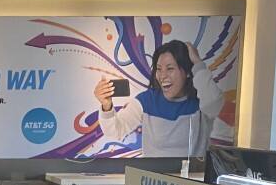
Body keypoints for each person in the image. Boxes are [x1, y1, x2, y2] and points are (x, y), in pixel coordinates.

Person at [93, 40, 224, 157]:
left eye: (170, 69)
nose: (163, 76)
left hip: (192, 176)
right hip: (152, 176)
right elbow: (115, 131)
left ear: (188, 72)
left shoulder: (202, 101)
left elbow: (214, 104)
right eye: (159, 69)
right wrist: (106, 106)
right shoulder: (146, 100)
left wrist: (197, 63)